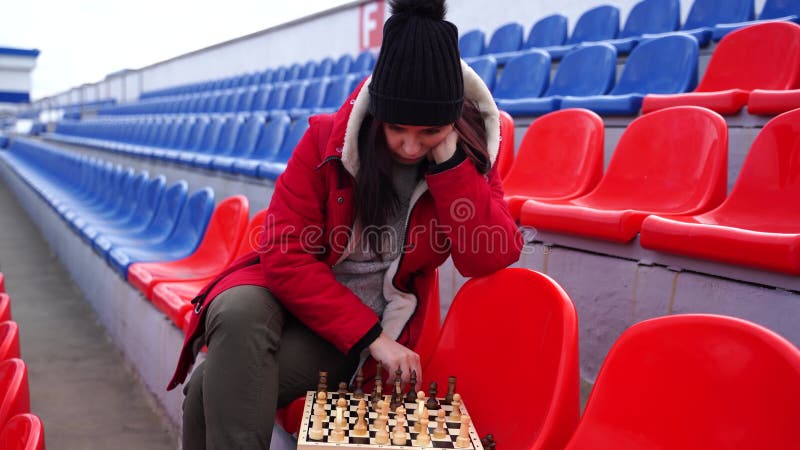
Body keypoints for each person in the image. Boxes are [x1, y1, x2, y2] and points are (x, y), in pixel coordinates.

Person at [168, 0, 523, 448]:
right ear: (376, 113)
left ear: (451, 122)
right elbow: (284, 252)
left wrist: (449, 164)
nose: (410, 146)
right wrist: (373, 338)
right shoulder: (326, 141)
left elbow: (488, 255)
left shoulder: (470, 158)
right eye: (397, 129)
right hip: (285, 295)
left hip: (342, 330)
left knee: (206, 390)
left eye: (428, 132)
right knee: (236, 311)